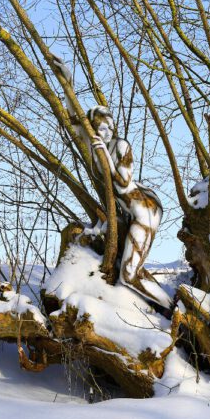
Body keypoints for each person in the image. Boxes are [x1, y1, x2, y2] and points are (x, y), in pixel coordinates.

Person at [53, 56, 170, 308]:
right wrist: (67, 83)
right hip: (127, 214)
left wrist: (104, 154)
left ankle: (173, 310)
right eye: (98, 129)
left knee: (129, 276)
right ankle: (157, 308)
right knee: (128, 270)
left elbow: (123, 184)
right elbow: (73, 121)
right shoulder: (95, 144)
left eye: (108, 128)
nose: (103, 133)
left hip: (145, 210)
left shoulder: (120, 146)